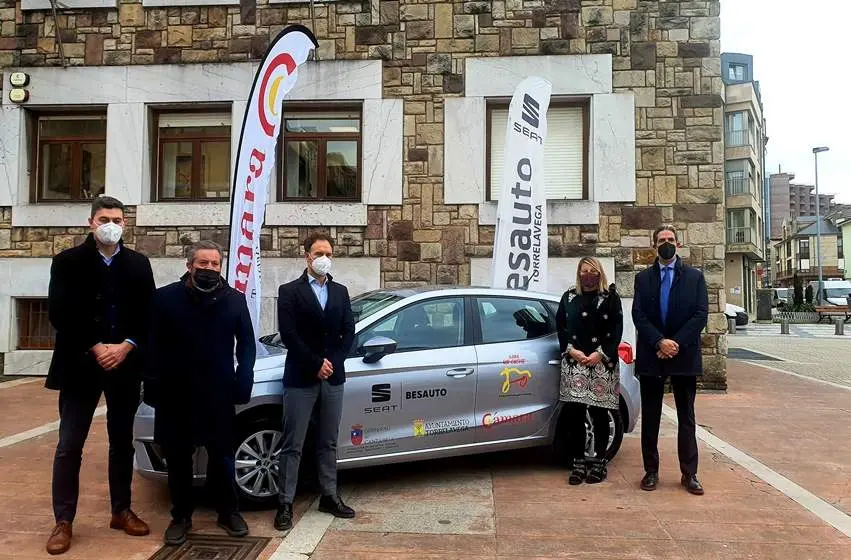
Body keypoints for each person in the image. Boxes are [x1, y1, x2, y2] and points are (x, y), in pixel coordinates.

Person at [45, 196, 155, 555]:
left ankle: (121, 510)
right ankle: (63, 520)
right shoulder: (68, 262)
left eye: (119, 219)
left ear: (126, 224)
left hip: (124, 365)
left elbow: (147, 313)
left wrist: (126, 345)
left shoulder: (139, 264)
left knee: (122, 443)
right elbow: (61, 313)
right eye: (105, 218)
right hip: (80, 365)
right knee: (69, 445)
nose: (112, 225)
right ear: (91, 222)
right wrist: (96, 346)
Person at [145, 241, 256, 545]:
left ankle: (228, 511)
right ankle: (181, 516)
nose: (209, 269)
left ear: (221, 267)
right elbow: (152, 343)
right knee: (178, 459)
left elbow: (247, 344)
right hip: (175, 392)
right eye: (203, 264)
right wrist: (151, 383)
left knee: (222, 456)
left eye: (215, 264)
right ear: (189, 266)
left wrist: (244, 379)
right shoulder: (165, 298)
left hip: (218, 392)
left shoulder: (235, 299)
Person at [274, 233, 356, 532]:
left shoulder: (340, 291)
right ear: (307, 255)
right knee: (292, 443)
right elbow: (289, 333)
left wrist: (332, 362)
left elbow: (348, 332)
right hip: (301, 376)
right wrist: (314, 363)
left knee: (328, 441)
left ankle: (329, 496)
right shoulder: (289, 291)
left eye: (329, 253)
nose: (324, 258)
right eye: (319, 252)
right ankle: (285, 502)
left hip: (333, 377)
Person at [632, 225, 708, 495]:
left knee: (686, 417)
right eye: (662, 240)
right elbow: (638, 316)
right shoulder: (643, 279)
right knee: (651, 417)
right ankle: (650, 471)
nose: (667, 243)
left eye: (671, 239)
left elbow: (700, 315)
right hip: (653, 355)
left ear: (679, 244)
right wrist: (659, 342)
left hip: (683, 355)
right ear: (654, 245)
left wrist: (675, 343)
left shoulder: (694, 277)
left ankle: (690, 473)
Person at [556, 257, 623, 485]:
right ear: (578, 273)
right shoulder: (569, 297)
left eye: (592, 271)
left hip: (602, 363)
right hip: (575, 363)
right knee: (574, 415)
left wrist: (600, 353)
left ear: (600, 273)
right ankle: (577, 463)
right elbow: (561, 327)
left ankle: (599, 462)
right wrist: (571, 350)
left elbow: (616, 329)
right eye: (584, 271)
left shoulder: (610, 298)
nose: (588, 275)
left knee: (599, 413)